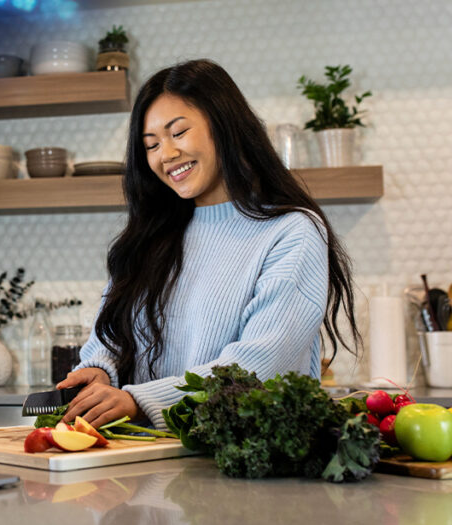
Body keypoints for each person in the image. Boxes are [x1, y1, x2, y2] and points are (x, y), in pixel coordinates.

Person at [57, 59, 360, 430]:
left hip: (244, 471)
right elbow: (113, 332)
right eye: (151, 145)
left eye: (178, 133)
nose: (165, 155)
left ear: (224, 126)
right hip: (142, 465)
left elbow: (259, 367)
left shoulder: (291, 231)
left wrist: (139, 401)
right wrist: (97, 370)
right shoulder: (152, 236)